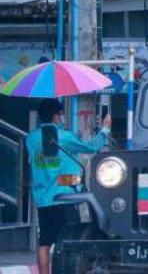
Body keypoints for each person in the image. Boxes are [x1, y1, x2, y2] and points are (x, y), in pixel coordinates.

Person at [26, 99, 111, 274]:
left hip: (43, 199)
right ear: (56, 116)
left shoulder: (31, 139)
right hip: (65, 196)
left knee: (44, 242)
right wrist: (105, 129)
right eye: (61, 114)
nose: (62, 117)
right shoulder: (64, 137)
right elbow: (91, 147)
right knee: (70, 241)